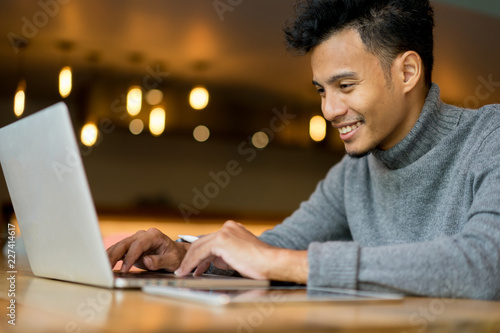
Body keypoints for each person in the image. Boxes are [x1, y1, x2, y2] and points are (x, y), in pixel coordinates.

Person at [107, 0, 500, 300]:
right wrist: (184, 255)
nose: (329, 110)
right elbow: (279, 247)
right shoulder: (353, 173)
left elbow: (484, 266)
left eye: (345, 86)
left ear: (407, 72)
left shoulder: (490, 137)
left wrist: (283, 263)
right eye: (321, 91)